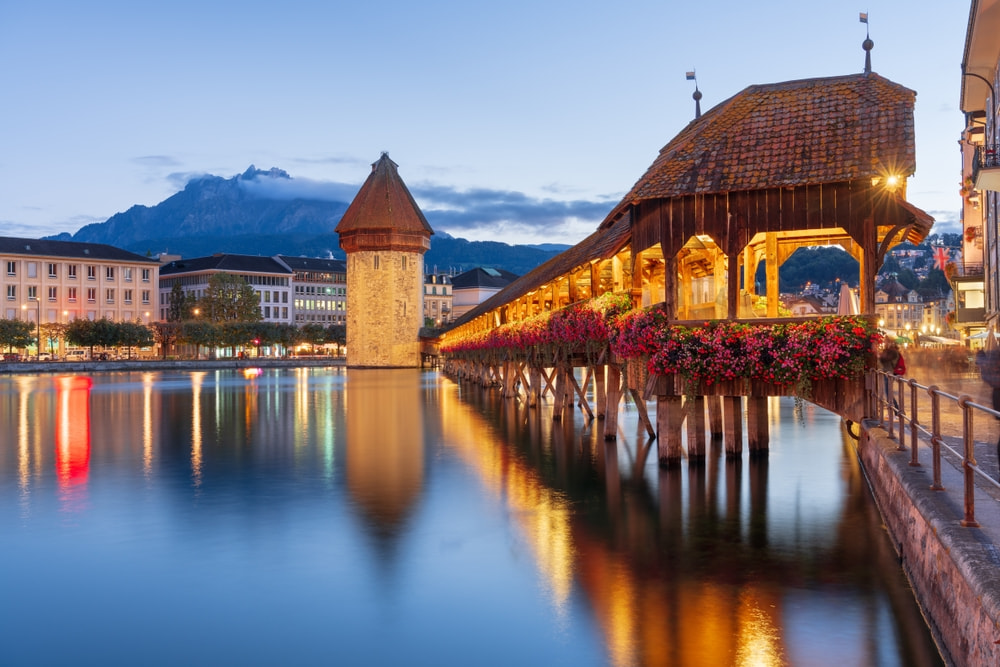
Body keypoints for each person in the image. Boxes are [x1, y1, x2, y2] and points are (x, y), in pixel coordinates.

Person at [878, 341, 905, 409]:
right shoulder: (890, 351)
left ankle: (896, 411)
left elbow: (884, 359)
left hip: (890, 374)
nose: (885, 343)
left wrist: (878, 354)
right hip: (887, 373)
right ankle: (895, 411)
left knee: (889, 394)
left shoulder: (893, 352)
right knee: (888, 393)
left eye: (887, 342)